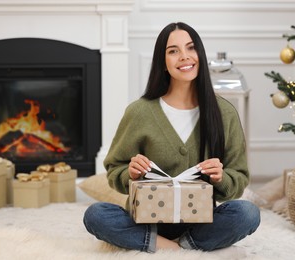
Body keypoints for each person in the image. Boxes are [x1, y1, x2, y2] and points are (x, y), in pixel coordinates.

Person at [83, 22, 260, 253]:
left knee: (247, 213)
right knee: (95, 215)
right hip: (145, 218)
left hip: (201, 220)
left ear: (200, 54)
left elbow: (238, 177)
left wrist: (220, 177)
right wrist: (131, 172)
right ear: (163, 63)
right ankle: (174, 247)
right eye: (173, 51)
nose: (184, 57)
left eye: (191, 48)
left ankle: (175, 244)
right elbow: (115, 170)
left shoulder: (224, 113)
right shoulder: (140, 112)